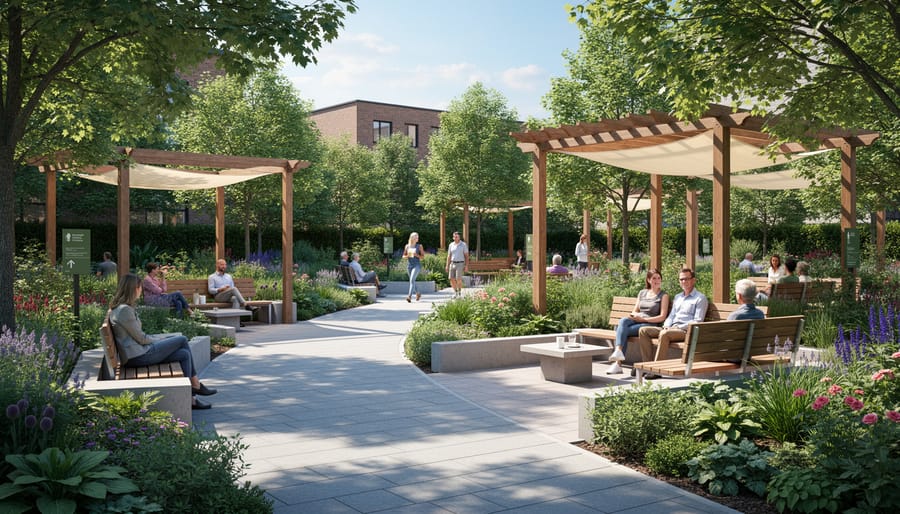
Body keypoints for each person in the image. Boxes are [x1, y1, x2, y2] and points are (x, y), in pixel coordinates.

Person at [109, 274, 216, 410]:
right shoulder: (124, 310)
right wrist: (158, 340)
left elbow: (139, 337)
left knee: (184, 354)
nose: (141, 290)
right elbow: (141, 338)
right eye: (140, 287)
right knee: (182, 339)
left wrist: (159, 340)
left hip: (136, 353)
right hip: (138, 356)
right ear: (133, 289)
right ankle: (195, 385)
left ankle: (192, 399)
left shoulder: (122, 308)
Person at [637, 268, 708, 378]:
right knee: (643, 331)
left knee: (664, 334)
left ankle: (656, 370)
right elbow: (671, 316)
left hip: (685, 331)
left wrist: (677, 327)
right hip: (671, 328)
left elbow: (697, 321)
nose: (683, 282)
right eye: (681, 279)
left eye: (686, 279)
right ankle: (647, 366)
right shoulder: (678, 297)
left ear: (693, 280)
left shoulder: (700, 298)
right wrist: (666, 325)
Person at [607, 269, 669, 375]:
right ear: (648, 280)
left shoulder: (663, 296)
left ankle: (618, 363)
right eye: (654, 278)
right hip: (638, 320)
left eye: (659, 278)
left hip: (649, 324)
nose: (657, 280)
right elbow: (635, 310)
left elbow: (662, 317)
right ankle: (618, 353)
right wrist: (634, 316)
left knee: (620, 330)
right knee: (623, 321)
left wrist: (643, 319)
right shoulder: (642, 293)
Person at [445, 231, 469, 298]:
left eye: (456, 237)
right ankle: (455, 292)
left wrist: (466, 266)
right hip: (452, 263)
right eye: (454, 237)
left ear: (459, 237)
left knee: (458, 279)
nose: (455, 238)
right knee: (451, 278)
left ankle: (459, 293)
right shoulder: (451, 245)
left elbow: (466, 256)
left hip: (460, 263)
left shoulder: (463, 245)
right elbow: (449, 256)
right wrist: (447, 265)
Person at [403, 232, 425, 302]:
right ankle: (418, 293)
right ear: (412, 238)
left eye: (418, 237)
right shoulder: (407, 246)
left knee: (412, 280)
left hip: (416, 265)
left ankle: (409, 296)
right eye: (416, 237)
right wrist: (407, 256)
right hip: (409, 266)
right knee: (412, 281)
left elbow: (422, 257)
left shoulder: (419, 246)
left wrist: (416, 255)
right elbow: (403, 256)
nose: (417, 238)